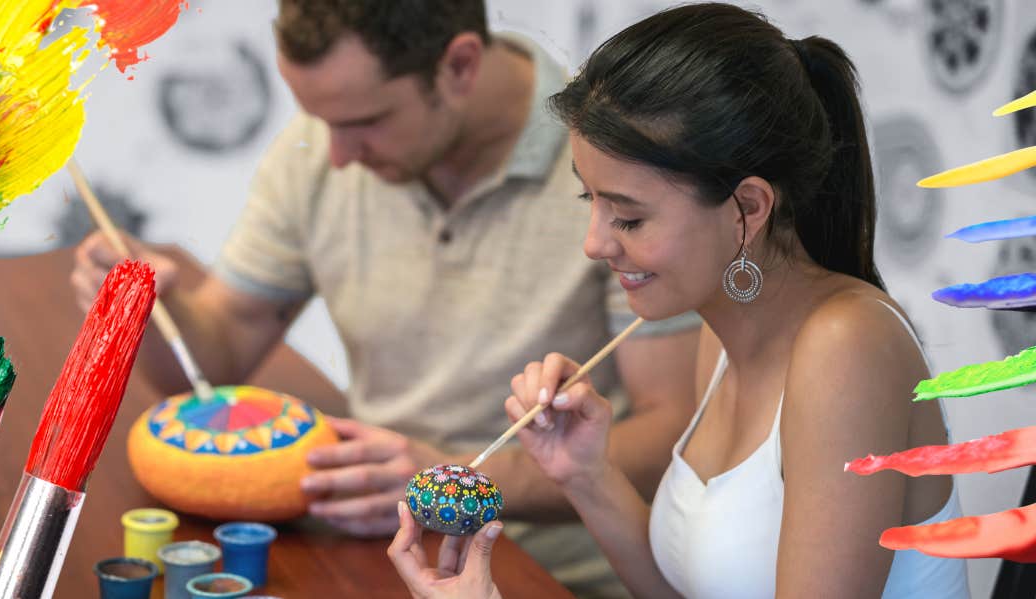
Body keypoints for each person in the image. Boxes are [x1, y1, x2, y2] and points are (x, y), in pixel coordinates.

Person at [70, 1, 700, 596]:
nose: (338, 156)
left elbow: (671, 433)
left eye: (365, 123)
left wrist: (444, 484)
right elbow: (214, 363)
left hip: (553, 572)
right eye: (321, 123)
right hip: (378, 548)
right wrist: (146, 311)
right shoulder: (321, 148)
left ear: (458, 66)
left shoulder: (612, 169)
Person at [388, 3, 972, 597]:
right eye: (588, 199)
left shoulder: (847, 347)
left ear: (747, 208)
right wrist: (584, 474)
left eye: (630, 217)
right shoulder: (719, 329)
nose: (593, 244)